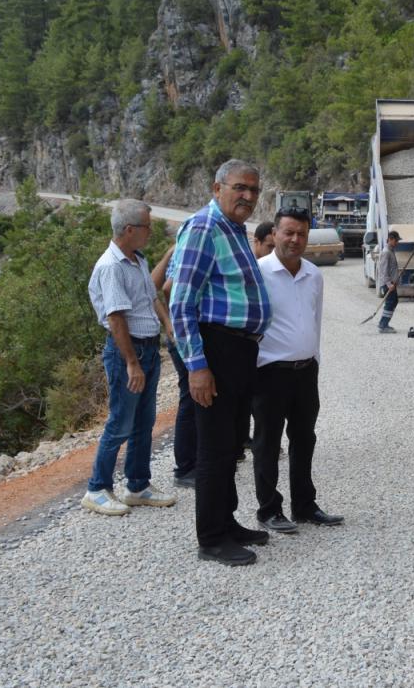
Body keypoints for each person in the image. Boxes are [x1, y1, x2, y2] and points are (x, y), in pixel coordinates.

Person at [170, 159, 272, 567]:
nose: (247, 196)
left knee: (231, 443)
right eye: (239, 188)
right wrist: (197, 366)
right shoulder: (203, 228)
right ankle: (211, 538)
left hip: (239, 350)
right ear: (217, 188)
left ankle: (226, 521)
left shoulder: (232, 229)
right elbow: (180, 304)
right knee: (213, 447)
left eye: (253, 190)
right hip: (216, 350)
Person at [82, 200, 176, 516]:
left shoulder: (136, 259)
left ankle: (137, 485)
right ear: (130, 229)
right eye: (148, 227)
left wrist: (167, 324)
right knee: (121, 422)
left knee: (143, 422)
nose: (151, 232)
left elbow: (150, 296)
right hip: (129, 352)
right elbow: (117, 318)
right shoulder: (110, 267)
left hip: (148, 349)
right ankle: (97, 489)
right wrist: (131, 363)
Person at [252, 207, 344, 534]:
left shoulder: (313, 275)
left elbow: (315, 321)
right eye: (288, 232)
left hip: (306, 372)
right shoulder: (257, 272)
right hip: (269, 373)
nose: (295, 239)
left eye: (301, 234)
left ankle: (304, 506)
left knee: (304, 440)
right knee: (267, 443)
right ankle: (268, 510)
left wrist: (315, 359)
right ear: (274, 234)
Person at [151, 245, 196, 489]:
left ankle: (191, 464)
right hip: (183, 337)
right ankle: (186, 468)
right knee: (190, 399)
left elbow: (154, 291)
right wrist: (172, 322)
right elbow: (165, 288)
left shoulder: (182, 250)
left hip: (179, 334)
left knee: (192, 399)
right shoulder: (186, 251)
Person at [375, 230, 401, 333]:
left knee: (394, 301)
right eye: (396, 240)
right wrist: (389, 284)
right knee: (390, 303)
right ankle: (383, 325)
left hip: (391, 284)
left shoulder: (391, 251)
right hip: (388, 284)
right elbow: (383, 271)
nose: (397, 243)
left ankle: (384, 323)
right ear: (390, 239)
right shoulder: (386, 252)